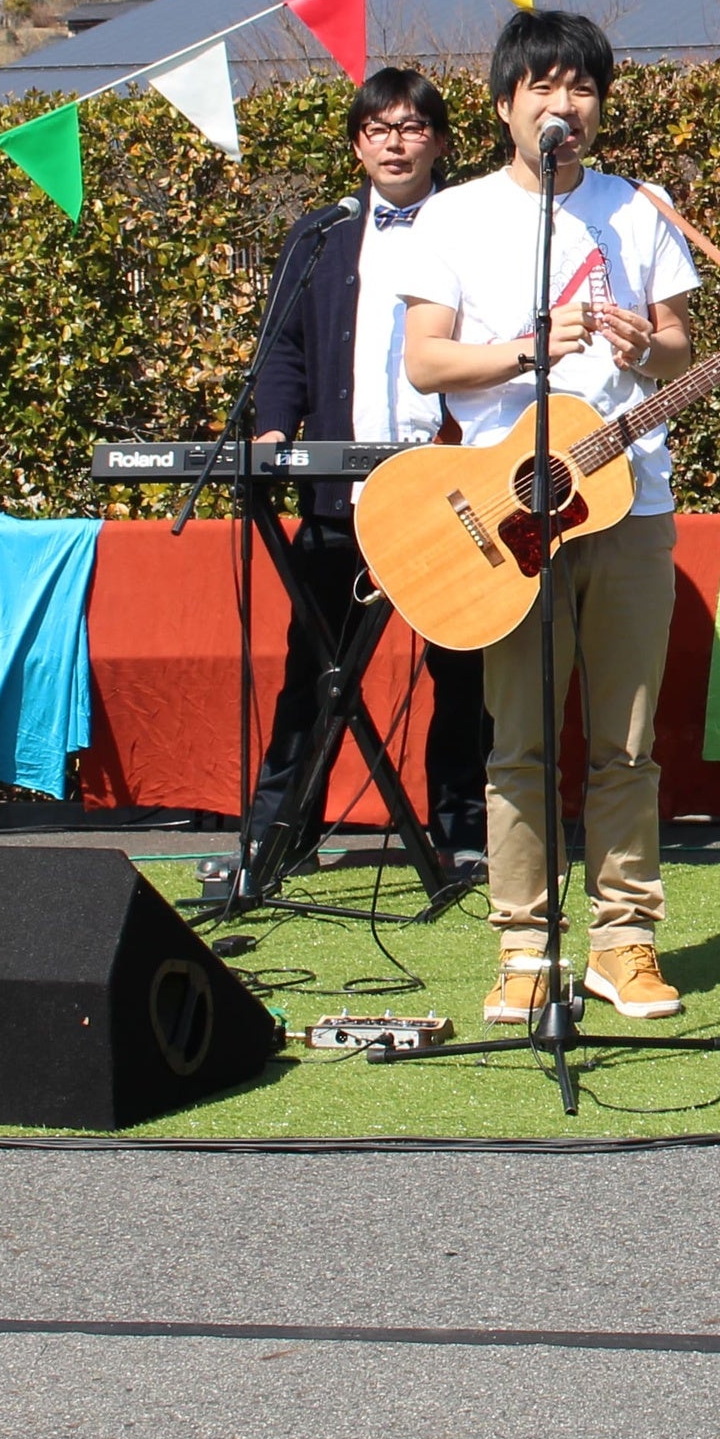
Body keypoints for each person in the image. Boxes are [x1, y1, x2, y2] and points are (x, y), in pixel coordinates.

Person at [393, 7, 705, 1026]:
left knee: (625, 739)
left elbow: (679, 347)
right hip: (507, 515)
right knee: (516, 741)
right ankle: (525, 946)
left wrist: (638, 346)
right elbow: (427, 360)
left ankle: (626, 941)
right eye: (544, 88)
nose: (564, 104)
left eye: (581, 88)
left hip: (629, 502)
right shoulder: (455, 217)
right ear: (502, 106)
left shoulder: (638, 209)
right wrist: (530, 347)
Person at [231, 64, 493, 895]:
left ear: (441, 142)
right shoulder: (322, 236)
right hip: (340, 496)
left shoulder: (476, 228)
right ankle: (281, 834)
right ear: (357, 143)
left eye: (413, 127)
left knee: (462, 675)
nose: (395, 142)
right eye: (378, 128)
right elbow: (286, 353)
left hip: (452, 489)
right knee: (311, 669)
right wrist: (275, 431)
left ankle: (465, 835)